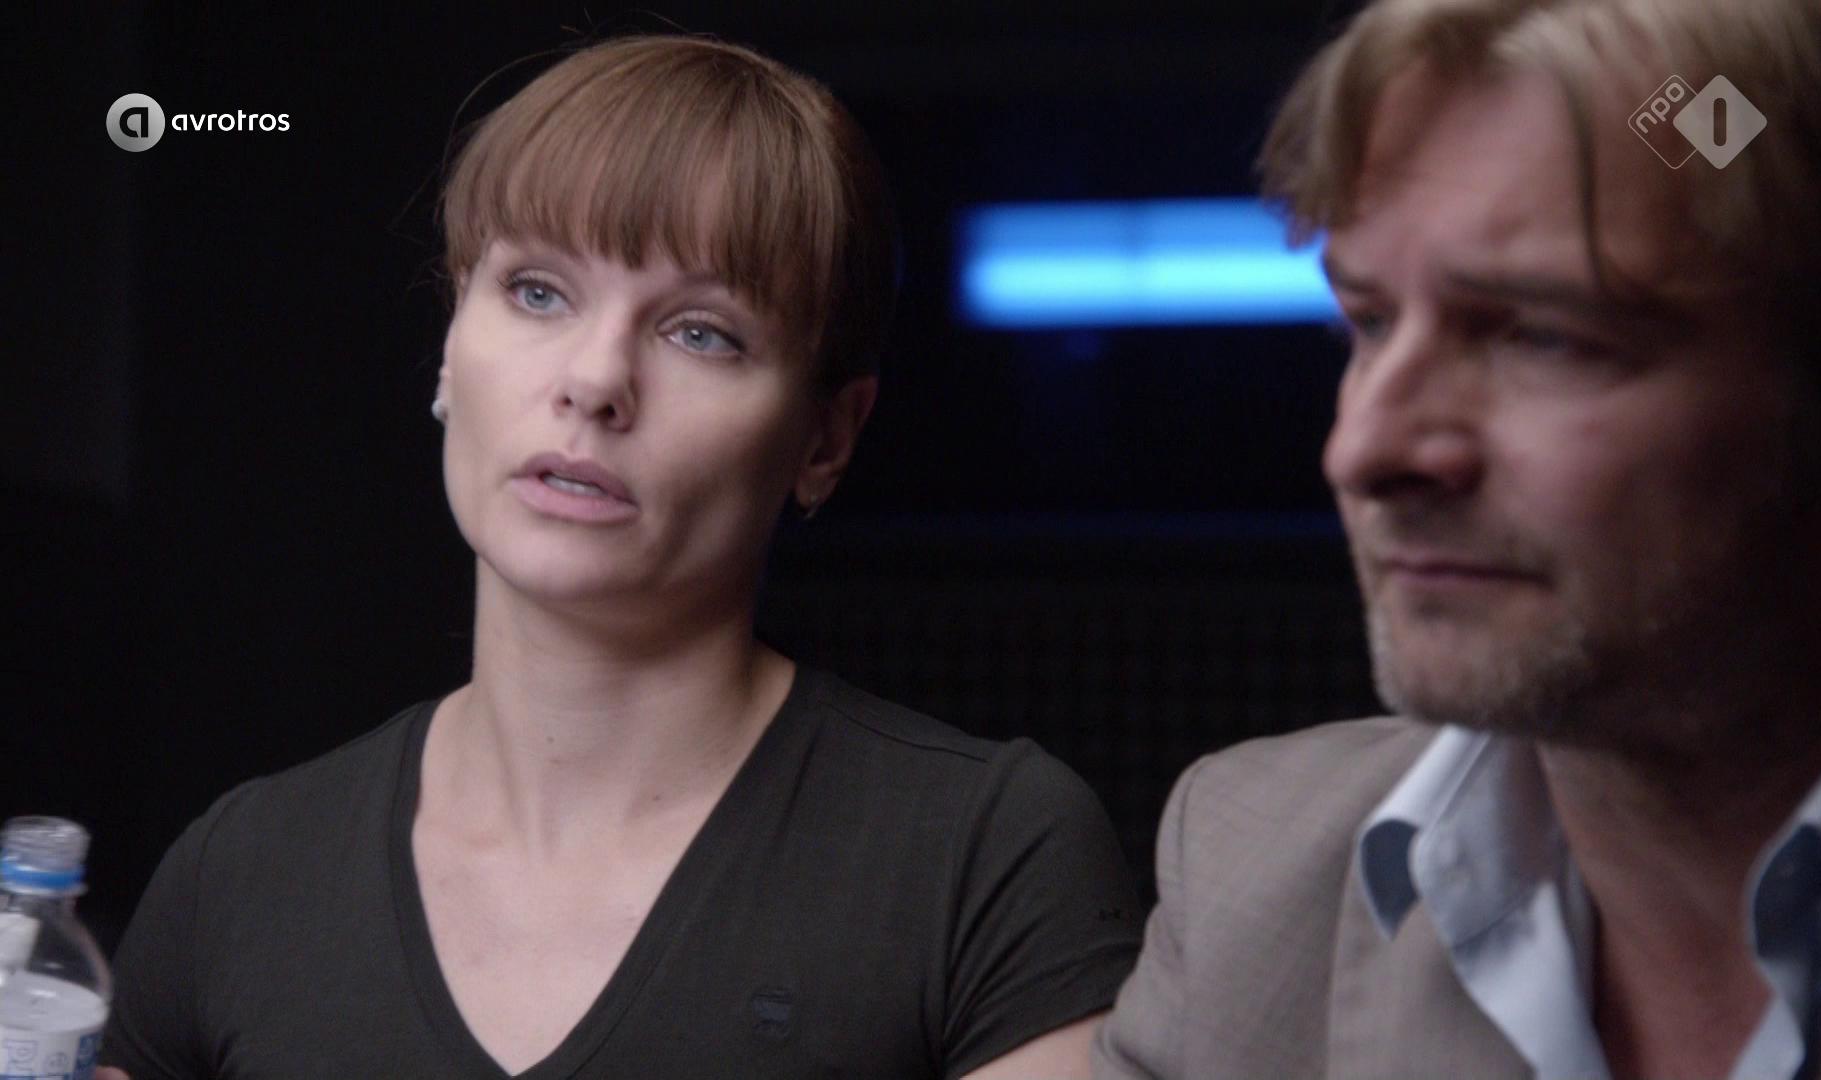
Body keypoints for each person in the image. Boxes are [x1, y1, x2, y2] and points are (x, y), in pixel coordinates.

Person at [101, 35, 1141, 1080]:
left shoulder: (983, 856)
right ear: (450, 347)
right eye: (538, 292)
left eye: (701, 333)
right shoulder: (238, 875)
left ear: (825, 439)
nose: (595, 380)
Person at [1095, 0, 1821, 1076]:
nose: (1364, 450)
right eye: (1368, 323)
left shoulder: (1712, 127)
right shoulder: (1257, 883)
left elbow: (1724, 133)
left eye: (1544, 337)